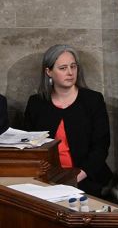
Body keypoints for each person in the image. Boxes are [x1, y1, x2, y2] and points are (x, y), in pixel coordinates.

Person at [24, 44, 112, 197]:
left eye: (73, 66)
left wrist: (75, 178)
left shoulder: (93, 100)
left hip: (86, 178)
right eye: (63, 68)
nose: (70, 73)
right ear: (48, 72)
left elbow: (100, 147)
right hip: (46, 180)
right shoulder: (36, 103)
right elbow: (29, 147)